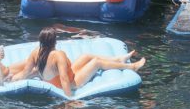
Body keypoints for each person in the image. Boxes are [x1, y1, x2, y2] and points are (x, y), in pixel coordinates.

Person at [12, 28, 145, 98]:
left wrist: (11, 80)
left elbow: (25, 72)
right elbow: (64, 79)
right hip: (72, 82)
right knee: (96, 62)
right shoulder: (58, 55)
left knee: (85, 56)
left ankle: (118, 59)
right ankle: (131, 67)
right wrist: (69, 98)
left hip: (55, 80)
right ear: (54, 41)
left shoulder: (37, 52)